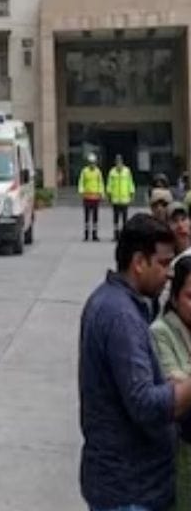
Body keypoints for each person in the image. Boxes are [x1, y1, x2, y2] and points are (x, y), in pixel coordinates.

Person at [79, 214, 191, 511]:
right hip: (130, 491)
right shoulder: (121, 317)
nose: (169, 275)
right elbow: (145, 404)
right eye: (163, 263)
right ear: (139, 262)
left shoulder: (119, 303)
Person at [152, 256, 191, 511]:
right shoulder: (161, 332)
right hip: (181, 450)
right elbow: (174, 385)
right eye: (190, 296)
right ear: (175, 298)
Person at [108, 155, 136, 241]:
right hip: (115, 199)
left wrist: (132, 193)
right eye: (117, 161)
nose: (118, 163)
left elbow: (130, 182)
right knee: (116, 219)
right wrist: (109, 194)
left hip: (124, 199)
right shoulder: (112, 172)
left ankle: (124, 236)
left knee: (124, 219)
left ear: (122, 162)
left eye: (120, 161)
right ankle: (116, 235)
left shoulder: (127, 171)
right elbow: (109, 184)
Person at [79, 153, 104, 242]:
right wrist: (81, 191)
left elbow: (100, 183)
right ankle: (86, 235)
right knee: (87, 217)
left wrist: (101, 193)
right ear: (88, 163)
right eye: (90, 162)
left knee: (95, 217)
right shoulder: (84, 171)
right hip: (87, 197)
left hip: (95, 197)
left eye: (93, 162)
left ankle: (94, 235)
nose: (92, 164)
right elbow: (81, 182)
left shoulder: (98, 172)